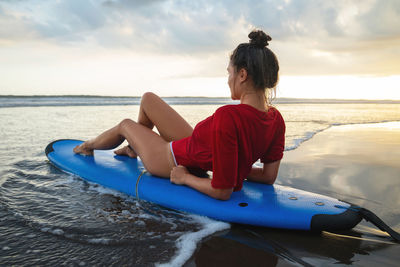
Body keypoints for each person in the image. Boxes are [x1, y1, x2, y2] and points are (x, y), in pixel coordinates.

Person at [73, 30, 285, 201]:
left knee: (125, 125)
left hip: (169, 159)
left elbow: (222, 191)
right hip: (199, 149)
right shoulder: (276, 120)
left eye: (229, 72)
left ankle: (86, 146)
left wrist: (186, 179)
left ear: (242, 75)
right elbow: (268, 177)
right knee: (148, 99)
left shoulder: (228, 115)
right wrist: (235, 169)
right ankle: (132, 148)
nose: (227, 79)